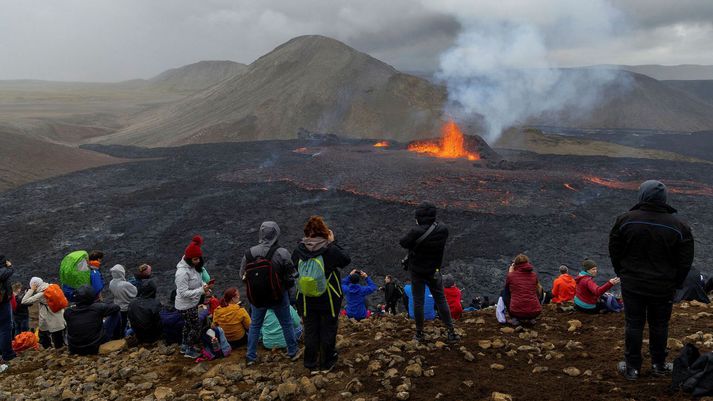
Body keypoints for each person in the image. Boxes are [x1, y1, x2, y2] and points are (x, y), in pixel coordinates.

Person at [609, 180, 694, 380]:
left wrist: (623, 273)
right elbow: (685, 261)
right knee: (660, 325)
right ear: (664, 199)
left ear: (642, 196)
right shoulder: (679, 226)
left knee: (634, 324)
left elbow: (615, 250)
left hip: (633, 284)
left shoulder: (625, 220)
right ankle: (659, 364)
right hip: (663, 286)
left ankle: (632, 368)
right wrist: (676, 282)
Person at [292, 216, 351, 373]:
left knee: (310, 329)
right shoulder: (329, 250)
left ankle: (311, 364)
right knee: (328, 327)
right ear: (324, 232)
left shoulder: (299, 249)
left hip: (305, 298)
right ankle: (327, 362)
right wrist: (333, 242)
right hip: (329, 297)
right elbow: (345, 259)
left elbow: (293, 266)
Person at [242, 221, 301, 365]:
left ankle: (250, 356)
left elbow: (242, 275)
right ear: (276, 234)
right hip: (278, 296)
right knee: (286, 323)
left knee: (255, 325)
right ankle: (292, 352)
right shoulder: (282, 252)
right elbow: (292, 274)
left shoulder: (249, 253)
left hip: (257, 298)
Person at [399, 202, 458, 343]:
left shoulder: (416, 232)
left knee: (418, 301)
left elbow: (403, 242)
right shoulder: (443, 230)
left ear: (419, 217)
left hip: (418, 272)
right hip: (435, 271)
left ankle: (419, 333)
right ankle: (451, 332)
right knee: (441, 299)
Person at [175, 235, 212, 359]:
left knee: (188, 325)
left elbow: (198, 280)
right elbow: (183, 293)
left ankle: (185, 346)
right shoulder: (182, 273)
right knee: (196, 327)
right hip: (186, 305)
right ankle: (189, 349)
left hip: (190, 303)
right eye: (195, 259)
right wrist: (201, 291)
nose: (198, 261)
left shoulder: (192, 268)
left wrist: (205, 287)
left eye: (198, 259)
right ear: (189, 258)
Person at [64, 285, 121, 355]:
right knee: (116, 314)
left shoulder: (68, 312)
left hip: (74, 349)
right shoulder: (97, 308)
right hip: (95, 346)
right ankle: (117, 337)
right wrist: (101, 306)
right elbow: (116, 307)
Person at [21, 277, 66, 349]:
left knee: (47, 335)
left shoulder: (42, 294)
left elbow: (24, 301)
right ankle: (60, 348)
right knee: (59, 335)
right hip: (60, 316)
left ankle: (51, 349)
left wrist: (31, 290)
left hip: (51, 318)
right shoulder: (52, 286)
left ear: (35, 285)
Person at [504, 255, 542, 325]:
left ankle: (515, 318)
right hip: (535, 312)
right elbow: (538, 292)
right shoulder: (534, 275)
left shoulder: (511, 276)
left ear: (515, 264)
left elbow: (507, 289)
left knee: (504, 293)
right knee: (536, 289)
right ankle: (530, 318)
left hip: (516, 312)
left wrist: (510, 272)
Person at [109, 264, 137, 339]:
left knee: (120, 323)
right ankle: (126, 336)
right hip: (127, 307)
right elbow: (135, 293)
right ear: (121, 273)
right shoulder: (125, 284)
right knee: (128, 322)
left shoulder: (111, 283)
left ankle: (119, 336)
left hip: (117, 306)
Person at [0, 256, 16, 365]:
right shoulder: (3, 270)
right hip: (2, 302)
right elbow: (3, 274)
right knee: (6, 328)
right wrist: (10, 267)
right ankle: (8, 354)